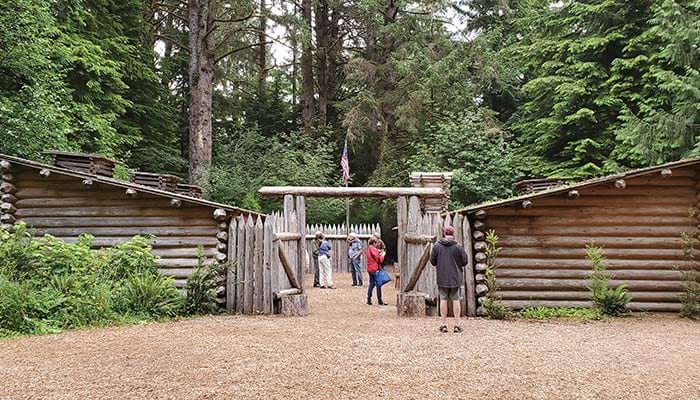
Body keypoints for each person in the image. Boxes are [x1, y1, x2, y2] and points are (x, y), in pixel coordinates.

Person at [430, 225, 468, 333]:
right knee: (456, 300)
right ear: (453, 234)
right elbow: (465, 261)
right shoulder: (458, 247)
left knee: (443, 299)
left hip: (442, 277)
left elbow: (432, 261)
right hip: (455, 277)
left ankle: (443, 324)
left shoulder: (437, 246)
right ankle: (457, 324)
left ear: (444, 233)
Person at [366, 238, 387, 305]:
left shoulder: (368, 249)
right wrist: (382, 255)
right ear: (374, 243)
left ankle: (369, 299)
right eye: (376, 243)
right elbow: (379, 259)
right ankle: (379, 300)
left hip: (370, 268)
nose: (377, 244)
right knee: (378, 284)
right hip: (375, 269)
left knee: (371, 284)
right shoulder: (373, 249)